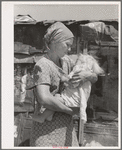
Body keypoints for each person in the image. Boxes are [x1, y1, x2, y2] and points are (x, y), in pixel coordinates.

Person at [30, 22, 97, 147]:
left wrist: (87, 76)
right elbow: (44, 98)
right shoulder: (43, 65)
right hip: (47, 131)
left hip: (66, 129)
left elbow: (94, 77)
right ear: (56, 41)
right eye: (67, 45)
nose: (70, 49)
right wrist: (69, 110)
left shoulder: (66, 61)